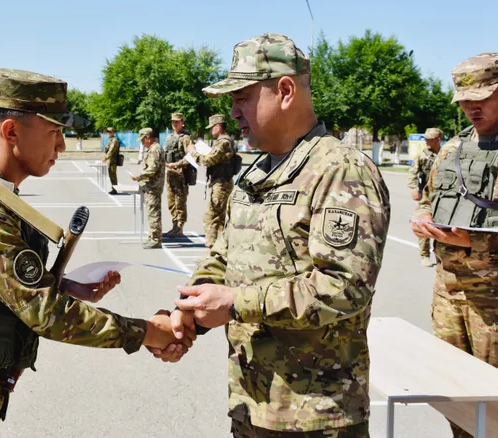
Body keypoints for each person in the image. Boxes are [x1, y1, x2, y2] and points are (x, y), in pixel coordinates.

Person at [0, 67, 187, 437]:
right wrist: (146, 332)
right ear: (12, 130)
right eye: (54, 132)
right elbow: (47, 315)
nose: (61, 145)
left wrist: (63, 287)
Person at [155, 33, 391, 437]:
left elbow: (344, 287)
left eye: (242, 97)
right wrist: (188, 309)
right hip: (253, 403)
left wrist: (234, 304)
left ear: (285, 90)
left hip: (316, 415)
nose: (233, 112)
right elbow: (224, 256)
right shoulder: (260, 170)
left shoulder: (340, 170)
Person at [411, 52, 498, 438]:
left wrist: (474, 240)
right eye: (465, 100)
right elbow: (430, 197)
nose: (472, 107)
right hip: (449, 292)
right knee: (455, 397)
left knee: (497, 404)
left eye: (482, 98)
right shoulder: (453, 148)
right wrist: (423, 219)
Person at [187, 114, 237, 248]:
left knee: (211, 219)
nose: (210, 131)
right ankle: (219, 253)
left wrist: (193, 152)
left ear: (218, 127)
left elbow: (208, 160)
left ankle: (212, 252)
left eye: (212, 128)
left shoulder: (223, 142)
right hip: (220, 183)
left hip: (221, 184)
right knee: (219, 220)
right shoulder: (224, 141)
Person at [407, 128, 443, 267]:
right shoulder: (422, 156)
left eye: (430, 139)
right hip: (426, 195)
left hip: (442, 195)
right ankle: (424, 255)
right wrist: (413, 188)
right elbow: (413, 172)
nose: (427, 141)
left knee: (442, 225)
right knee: (423, 223)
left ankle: (440, 256)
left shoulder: (446, 154)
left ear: (438, 140)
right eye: (426, 139)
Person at [131, 127, 165, 249]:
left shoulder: (155, 149)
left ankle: (156, 239)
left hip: (153, 186)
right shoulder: (152, 148)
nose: (141, 142)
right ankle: (152, 236)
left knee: (154, 213)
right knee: (152, 212)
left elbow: (152, 169)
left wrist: (139, 176)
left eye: (142, 139)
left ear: (148, 138)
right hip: (150, 186)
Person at [163, 112, 193, 237]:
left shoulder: (186, 138)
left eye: (177, 121)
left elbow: (191, 156)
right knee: (171, 202)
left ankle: (179, 228)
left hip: (181, 174)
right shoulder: (169, 137)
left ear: (182, 122)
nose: (174, 124)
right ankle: (174, 226)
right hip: (170, 173)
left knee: (180, 202)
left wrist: (177, 164)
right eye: (172, 121)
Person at [102, 127, 120, 194]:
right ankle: (114, 188)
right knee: (111, 175)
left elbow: (111, 150)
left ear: (113, 132)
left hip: (113, 160)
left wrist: (105, 157)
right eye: (108, 132)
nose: (108, 133)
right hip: (110, 160)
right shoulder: (111, 139)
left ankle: (115, 189)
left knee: (113, 175)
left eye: (109, 132)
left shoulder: (114, 140)